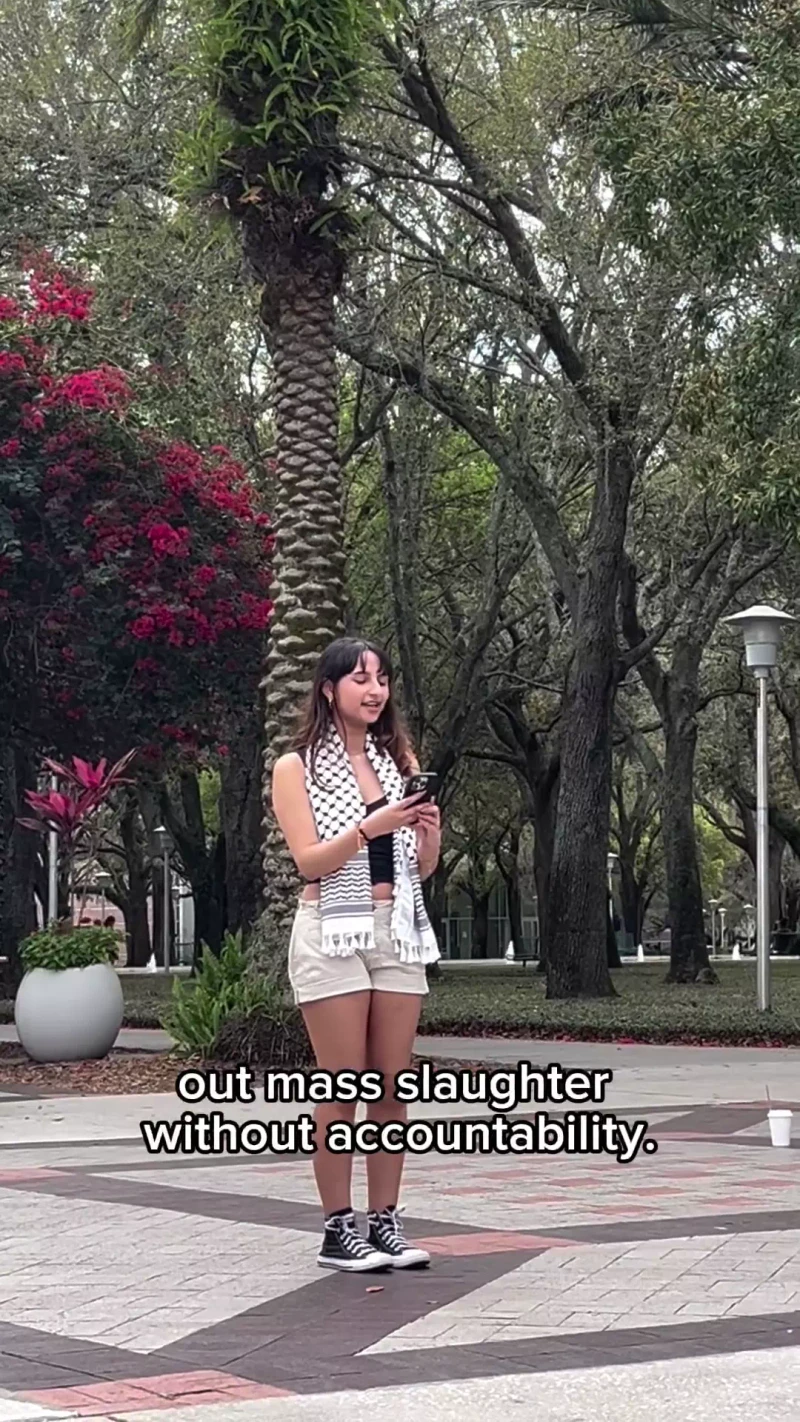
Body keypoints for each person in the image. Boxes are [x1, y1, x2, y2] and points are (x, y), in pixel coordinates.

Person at [272, 636, 442, 1274]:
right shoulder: (297, 767)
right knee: (344, 1086)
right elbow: (309, 861)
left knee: (392, 1086)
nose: (375, 691)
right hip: (330, 926)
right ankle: (338, 1229)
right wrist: (373, 825)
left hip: (395, 928)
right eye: (360, 679)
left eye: (383, 679)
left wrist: (428, 835)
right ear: (328, 689)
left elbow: (420, 868)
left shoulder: (398, 758)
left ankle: (386, 1223)